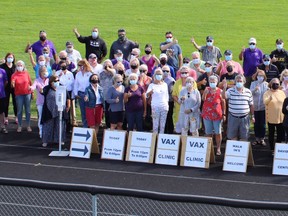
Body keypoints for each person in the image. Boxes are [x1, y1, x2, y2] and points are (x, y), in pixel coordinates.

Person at [41, 75, 71, 147]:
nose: (57, 82)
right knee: (48, 125)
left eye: (58, 80)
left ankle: (60, 140)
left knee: (60, 125)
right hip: (50, 110)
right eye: (55, 81)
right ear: (51, 82)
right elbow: (42, 92)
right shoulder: (47, 88)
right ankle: (46, 141)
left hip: (61, 109)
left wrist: (68, 106)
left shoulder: (62, 88)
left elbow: (68, 97)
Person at [222, 74, 254, 141]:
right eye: (237, 81)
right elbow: (224, 97)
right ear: (235, 82)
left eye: (240, 81)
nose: (239, 82)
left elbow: (251, 104)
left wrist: (253, 116)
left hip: (244, 118)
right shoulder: (230, 91)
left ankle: (243, 151)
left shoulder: (248, 92)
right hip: (233, 117)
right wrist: (224, 88)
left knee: (244, 137)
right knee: (233, 137)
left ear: (243, 82)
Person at [202, 75, 225, 155]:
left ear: (216, 82)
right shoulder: (206, 89)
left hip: (217, 115)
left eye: (213, 82)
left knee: (218, 132)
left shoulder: (220, 91)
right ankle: (209, 148)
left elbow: (223, 102)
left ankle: (218, 148)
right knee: (208, 132)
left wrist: (224, 113)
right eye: (211, 82)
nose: (212, 83)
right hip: (207, 114)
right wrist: (205, 93)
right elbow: (203, 99)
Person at [263, 78, 286, 155]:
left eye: (277, 83)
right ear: (271, 84)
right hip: (271, 117)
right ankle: (272, 148)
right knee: (271, 134)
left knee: (280, 134)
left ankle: (278, 148)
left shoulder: (282, 93)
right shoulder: (267, 93)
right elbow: (265, 102)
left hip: (280, 117)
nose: (275, 85)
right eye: (274, 83)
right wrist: (270, 98)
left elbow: (285, 102)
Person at [11, 60, 33, 133]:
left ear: (23, 66)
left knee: (28, 110)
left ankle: (28, 125)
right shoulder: (14, 75)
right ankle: (19, 125)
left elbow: (30, 83)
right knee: (19, 111)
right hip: (19, 94)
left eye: (21, 65)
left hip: (27, 93)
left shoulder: (26, 73)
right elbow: (12, 85)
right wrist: (13, 84)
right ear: (16, 67)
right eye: (18, 65)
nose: (19, 67)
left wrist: (32, 93)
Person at [146, 68, 169, 134]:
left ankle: (160, 139)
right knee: (155, 125)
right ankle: (155, 139)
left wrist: (167, 106)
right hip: (155, 107)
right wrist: (149, 93)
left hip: (164, 107)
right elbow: (146, 95)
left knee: (162, 125)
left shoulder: (165, 85)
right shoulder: (151, 85)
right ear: (154, 76)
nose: (159, 76)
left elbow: (166, 96)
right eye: (157, 74)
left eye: (160, 74)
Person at [250, 70, 269, 146]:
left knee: (262, 124)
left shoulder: (266, 84)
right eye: (259, 75)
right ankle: (257, 138)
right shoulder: (253, 83)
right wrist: (255, 89)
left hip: (263, 107)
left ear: (264, 77)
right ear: (256, 76)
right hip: (255, 108)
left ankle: (262, 138)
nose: (260, 77)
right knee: (256, 124)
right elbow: (250, 93)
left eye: (261, 76)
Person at [55, 60, 75, 132]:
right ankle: (60, 126)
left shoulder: (70, 74)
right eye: (62, 66)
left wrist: (72, 94)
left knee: (68, 110)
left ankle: (67, 127)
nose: (63, 67)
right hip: (60, 92)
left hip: (68, 93)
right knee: (60, 109)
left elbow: (72, 84)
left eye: (64, 66)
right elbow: (55, 82)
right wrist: (59, 76)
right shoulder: (57, 73)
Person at [30, 66, 49, 138]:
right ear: (40, 73)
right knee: (41, 117)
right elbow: (33, 86)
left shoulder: (48, 80)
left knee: (48, 118)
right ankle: (41, 132)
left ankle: (47, 132)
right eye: (44, 71)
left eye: (46, 71)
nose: (45, 73)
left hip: (48, 103)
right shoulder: (37, 81)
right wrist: (30, 88)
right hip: (40, 102)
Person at [73, 59, 93, 128]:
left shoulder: (90, 74)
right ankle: (85, 125)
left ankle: (90, 125)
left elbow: (91, 85)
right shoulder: (78, 74)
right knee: (83, 111)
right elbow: (76, 84)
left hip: (88, 94)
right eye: (79, 66)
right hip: (80, 94)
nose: (80, 67)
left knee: (88, 110)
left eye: (81, 65)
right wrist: (76, 93)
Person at [84, 74, 104, 139]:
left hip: (99, 107)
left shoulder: (101, 88)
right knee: (92, 124)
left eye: (96, 78)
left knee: (98, 123)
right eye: (93, 78)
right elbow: (86, 95)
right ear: (90, 79)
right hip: (91, 107)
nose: (95, 79)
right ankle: (91, 139)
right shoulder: (88, 88)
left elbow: (102, 98)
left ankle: (94, 139)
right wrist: (86, 98)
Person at [0, 53, 17, 125]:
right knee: (5, 103)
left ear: (13, 59)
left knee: (15, 102)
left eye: (11, 57)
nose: (10, 58)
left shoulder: (15, 67)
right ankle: (6, 117)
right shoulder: (2, 66)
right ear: (6, 58)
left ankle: (16, 117)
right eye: (9, 57)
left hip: (14, 88)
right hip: (5, 88)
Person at [99, 59, 116, 129]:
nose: (107, 66)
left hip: (111, 96)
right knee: (106, 112)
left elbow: (114, 73)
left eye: (109, 64)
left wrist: (109, 68)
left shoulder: (113, 72)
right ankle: (107, 125)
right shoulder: (101, 74)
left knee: (111, 111)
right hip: (104, 95)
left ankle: (112, 125)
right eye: (105, 64)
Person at [162, 65, 175, 134]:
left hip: (169, 101)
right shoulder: (158, 79)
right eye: (163, 71)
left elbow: (171, 91)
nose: (165, 72)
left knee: (168, 117)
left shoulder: (171, 80)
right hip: (161, 102)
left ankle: (169, 132)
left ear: (170, 72)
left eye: (167, 71)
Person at [0, 67, 8, 133]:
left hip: (1, 95)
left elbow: (6, 81)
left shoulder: (2, 71)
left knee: (1, 111)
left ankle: (2, 127)